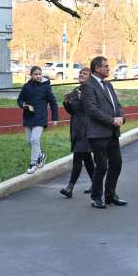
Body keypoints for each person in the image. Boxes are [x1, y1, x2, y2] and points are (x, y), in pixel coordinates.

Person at [83, 56, 127, 209]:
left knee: (117, 163)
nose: (109, 68)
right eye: (106, 66)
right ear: (97, 68)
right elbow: (92, 110)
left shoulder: (108, 85)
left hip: (112, 132)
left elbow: (117, 104)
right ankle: (96, 197)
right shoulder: (88, 85)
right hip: (98, 133)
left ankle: (110, 195)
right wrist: (111, 120)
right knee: (101, 166)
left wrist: (121, 116)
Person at [59, 67, 95, 197]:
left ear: (90, 77)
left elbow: (92, 109)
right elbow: (73, 111)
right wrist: (66, 103)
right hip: (76, 128)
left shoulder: (91, 90)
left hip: (87, 129)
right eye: (80, 73)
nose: (81, 75)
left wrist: (82, 99)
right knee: (86, 158)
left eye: (84, 73)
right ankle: (96, 184)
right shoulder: (76, 90)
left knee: (78, 157)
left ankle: (70, 188)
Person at [17, 65, 58, 174]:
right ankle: (40, 155)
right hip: (28, 117)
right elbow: (19, 100)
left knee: (35, 140)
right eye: (36, 74)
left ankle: (33, 163)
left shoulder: (46, 87)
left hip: (40, 118)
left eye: (40, 74)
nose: (38, 76)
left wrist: (55, 118)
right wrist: (24, 105)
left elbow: (53, 102)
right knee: (29, 142)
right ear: (31, 75)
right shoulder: (26, 87)